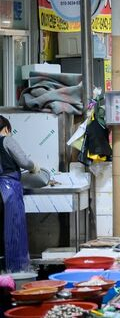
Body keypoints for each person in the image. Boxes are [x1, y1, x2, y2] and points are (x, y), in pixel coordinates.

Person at [0, 115, 41, 272]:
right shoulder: (6, 140)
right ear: (6, 129)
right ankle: (17, 271)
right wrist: (33, 166)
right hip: (8, 189)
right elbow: (24, 162)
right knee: (14, 229)